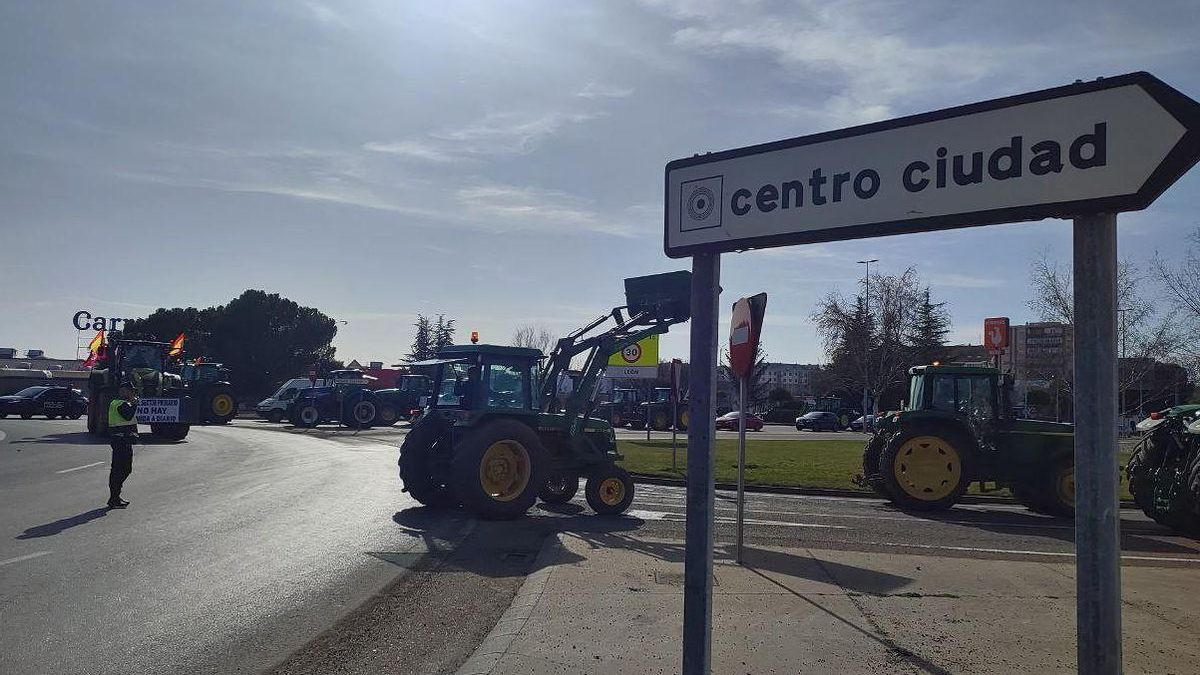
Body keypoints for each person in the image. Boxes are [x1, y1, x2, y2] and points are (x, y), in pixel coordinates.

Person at [106, 383, 138, 509]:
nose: (133, 394)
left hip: (121, 440)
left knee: (120, 470)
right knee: (121, 470)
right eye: (131, 392)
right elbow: (128, 416)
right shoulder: (120, 404)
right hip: (121, 441)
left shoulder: (117, 403)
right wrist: (134, 403)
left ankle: (115, 496)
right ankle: (114, 497)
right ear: (125, 392)